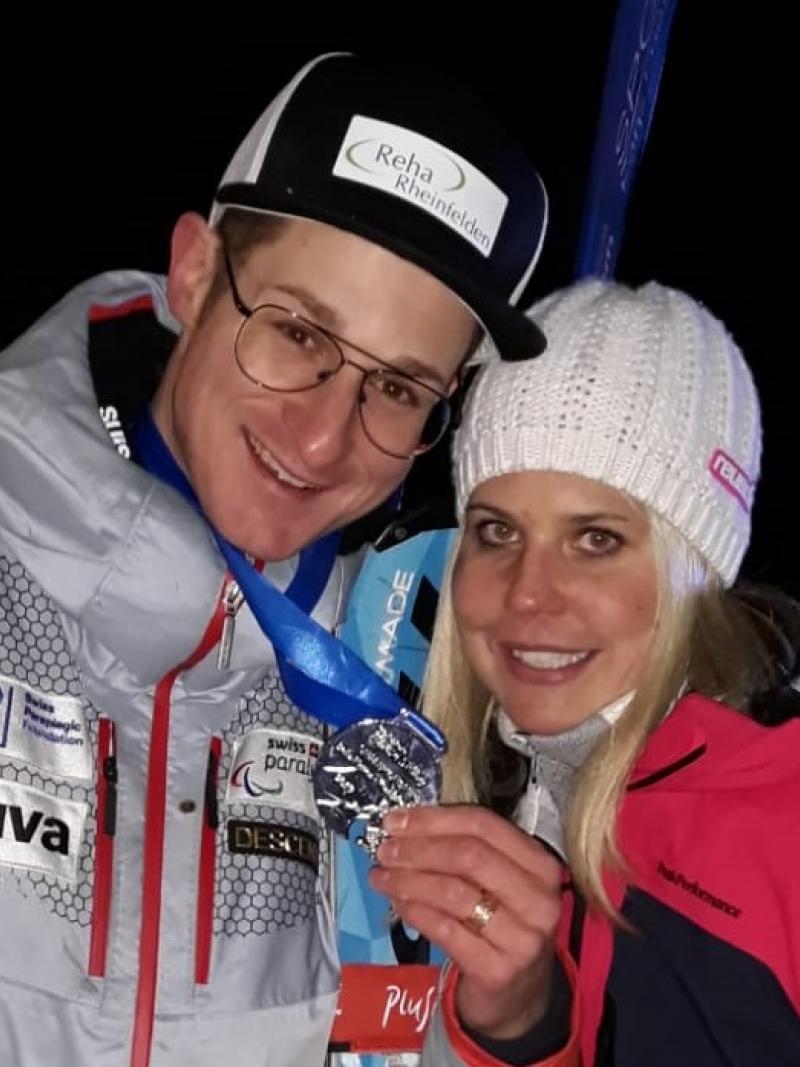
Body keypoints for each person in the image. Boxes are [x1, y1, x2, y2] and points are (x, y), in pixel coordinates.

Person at [0, 53, 549, 1067]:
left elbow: (375, 1035)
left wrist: (502, 1018)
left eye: (396, 389)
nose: (318, 443)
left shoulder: (400, 679)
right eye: (297, 333)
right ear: (196, 273)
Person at [369, 279, 800, 1066]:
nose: (528, 594)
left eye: (596, 539)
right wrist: (519, 1020)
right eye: (496, 530)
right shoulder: (478, 779)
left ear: (692, 566)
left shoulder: (782, 821)